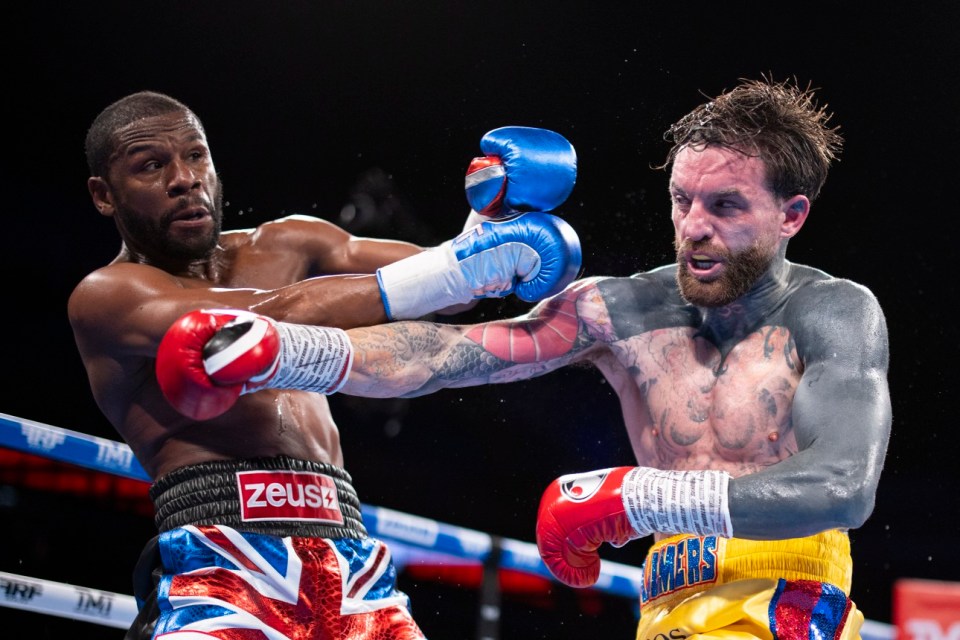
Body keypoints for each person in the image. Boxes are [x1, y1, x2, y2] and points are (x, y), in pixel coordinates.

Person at [161, 77, 892, 639]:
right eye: (681, 201)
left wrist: (636, 498)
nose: (693, 228)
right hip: (666, 608)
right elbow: (449, 354)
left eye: (725, 207)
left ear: (791, 215)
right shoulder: (623, 310)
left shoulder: (831, 313)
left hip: (789, 606)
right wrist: (289, 353)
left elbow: (845, 484)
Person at [67, 89, 583, 639]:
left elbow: (445, 286)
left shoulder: (292, 242)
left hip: (352, 564)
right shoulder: (106, 296)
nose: (184, 178)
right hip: (223, 559)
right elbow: (257, 323)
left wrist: (490, 221)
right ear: (104, 195)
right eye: (151, 166)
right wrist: (465, 267)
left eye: (196, 155)